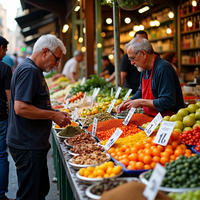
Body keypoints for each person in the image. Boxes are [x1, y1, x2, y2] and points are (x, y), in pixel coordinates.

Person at [6, 34, 71, 200]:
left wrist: (54, 111)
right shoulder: (29, 71)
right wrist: (52, 115)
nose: (56, 64)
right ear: (45, 52)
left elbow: (33, 102)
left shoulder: (32, 69)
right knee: (31, 195)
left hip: (29, 142)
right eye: (56, 59)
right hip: (27, 144)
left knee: (38, 191)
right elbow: (21, 108)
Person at [115, 37, 185, 117]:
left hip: (169, 120)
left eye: (132, 58)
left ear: (143, 54)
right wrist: (128, 102)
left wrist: (141, 102)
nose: (131, 63)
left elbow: (168, 102)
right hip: (152, 118)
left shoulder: (163, 69)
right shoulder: (144, 69)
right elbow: (141, 92)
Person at [0, 36, 13, 200]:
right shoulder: (5, 68)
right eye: (5, 49)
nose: (5, 53)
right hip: (1, 118)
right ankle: (1, 195)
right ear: (1, 48)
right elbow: (9, 98)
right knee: (1, 156)